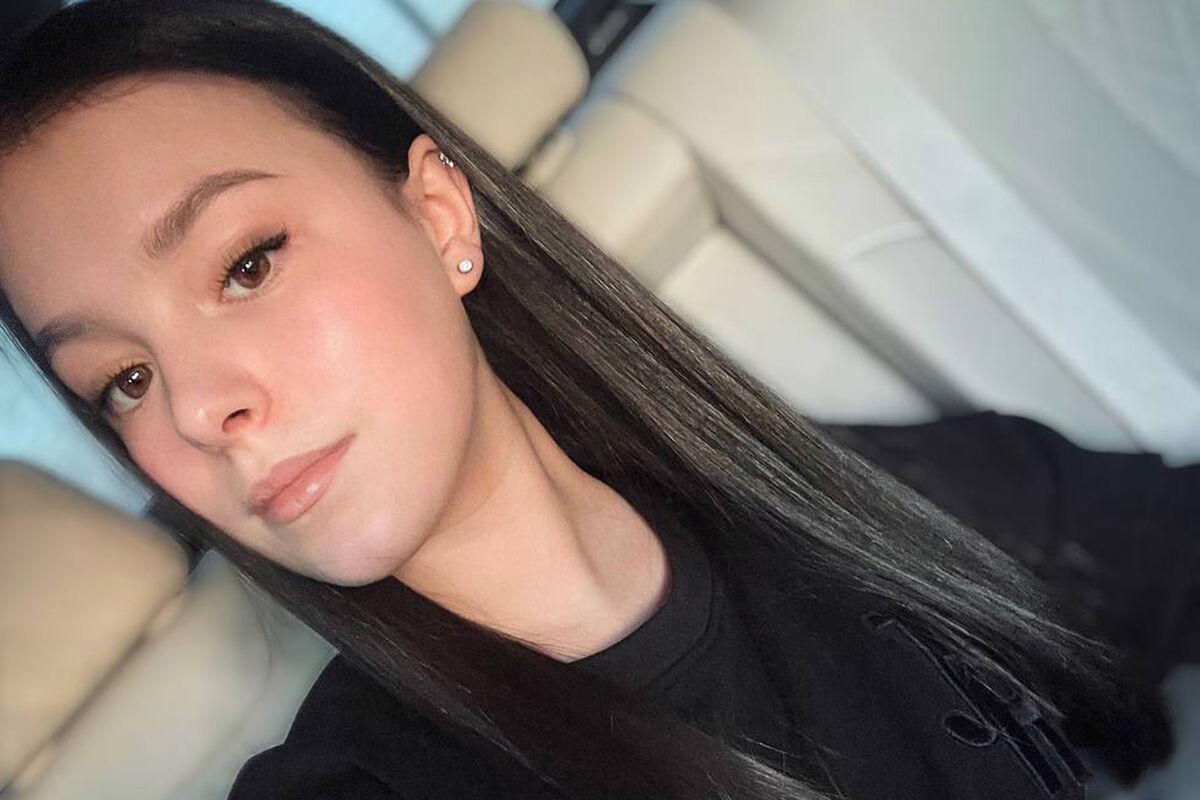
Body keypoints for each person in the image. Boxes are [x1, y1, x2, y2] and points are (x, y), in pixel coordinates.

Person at [0, 1, 1189, 798]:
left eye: (247, 262)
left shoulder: (858, 501)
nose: (199, 409)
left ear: (440, 216)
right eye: (123, 380)